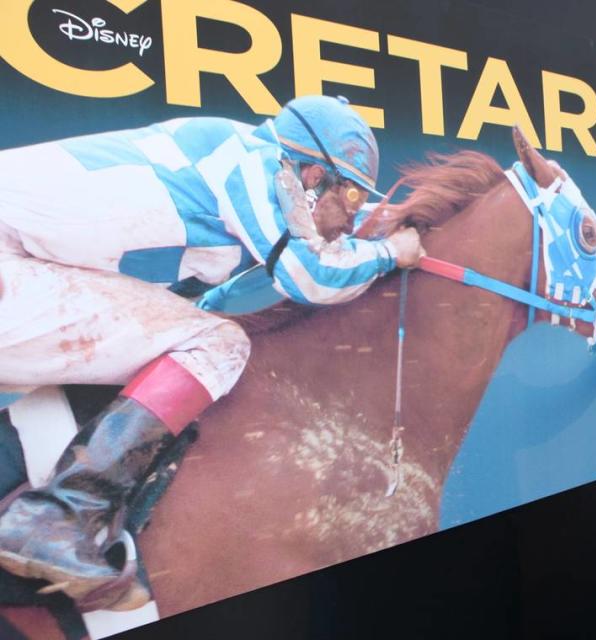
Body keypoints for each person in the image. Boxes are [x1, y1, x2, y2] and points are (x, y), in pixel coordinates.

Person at [0, 95, 423, 610]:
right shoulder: (255, 162)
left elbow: (217, 298)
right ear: (313, 179)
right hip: (10, 258)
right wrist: (388, 253)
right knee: (216, 343)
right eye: (352, 198)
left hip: (23, 262)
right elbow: (309, 275)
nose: (350, 220)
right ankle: (57, 513)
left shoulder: (232, 184)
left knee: (197, 329)